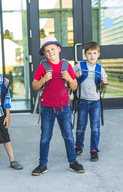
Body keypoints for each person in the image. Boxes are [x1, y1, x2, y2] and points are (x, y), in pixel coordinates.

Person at [31, 36, 85, 176]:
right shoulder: (43, 67)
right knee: (45, 137)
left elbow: (74, 85)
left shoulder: (66, 66)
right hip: (47, 108)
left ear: (59, 49)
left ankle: (73, 162)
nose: (51, 53)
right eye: (47, 51)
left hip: (64, 107)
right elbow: (35, 85)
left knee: (68, 136)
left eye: (53, 49)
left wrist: (69, 78)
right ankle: (43, 164)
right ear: (44, 53)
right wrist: (44, 79)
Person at [73, 41, 108, 162]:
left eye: (94, 53)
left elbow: (105, 84)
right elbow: (71, 79)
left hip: (95, 103)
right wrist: (76, 76)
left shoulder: (100, 69)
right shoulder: (79, 66)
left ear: (98, 54)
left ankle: (94, 150)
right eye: (89, 53)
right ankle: (78, 147)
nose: (92, 56)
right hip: (82, 101)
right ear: (85, 54)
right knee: (80, 127)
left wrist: (105, 83)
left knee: (95, 128)